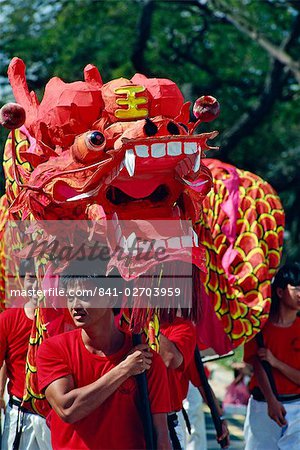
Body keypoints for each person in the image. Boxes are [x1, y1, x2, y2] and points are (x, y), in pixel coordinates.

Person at [36, 260, 172, 450]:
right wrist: (123, 370)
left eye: (84, 295)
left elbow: (162, 438)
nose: (75, 305)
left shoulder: (146, 360)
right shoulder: (53, 350)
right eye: (70, 297)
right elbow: (68, 409)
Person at [244, 262, 300, 450]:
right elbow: (257, 365)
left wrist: (276, 363)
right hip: (262, 407)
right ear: (280, 292)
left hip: (297, 408)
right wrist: (271, 401)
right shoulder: (259, 327)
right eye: (296, 288)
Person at [0, 258, 52, 450]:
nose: (36, 284)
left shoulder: (63, 321)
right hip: (19, 415)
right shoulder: (7, 320)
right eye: (31, 278)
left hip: (53, 417)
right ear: (22, 281)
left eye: (42, 277)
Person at [159, 317, 197, 450]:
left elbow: (170, 357)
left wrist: (145, 323)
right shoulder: (121, 324)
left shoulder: (183, 326)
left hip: (167, 422)